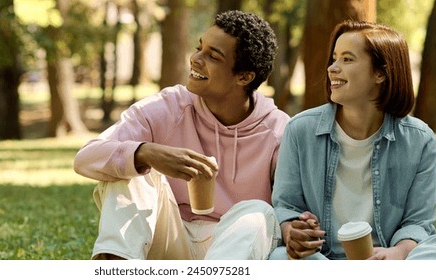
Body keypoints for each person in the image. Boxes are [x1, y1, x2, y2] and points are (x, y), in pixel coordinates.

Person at [73, 10, 289, 260]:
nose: (195, 59)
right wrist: (146, 153)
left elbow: (293, 209)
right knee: (130, 169)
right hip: (169, 238)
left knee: (259, 212)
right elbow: (85, 158)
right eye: (199, 48)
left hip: (234, 249)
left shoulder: (279, 131)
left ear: (244, 76)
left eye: (213, 56)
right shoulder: (168, 107)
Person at [269, 21, 436, 260]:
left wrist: (398, 253)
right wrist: (293, 231)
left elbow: (418, 222)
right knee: (279, 258)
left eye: (347, 59)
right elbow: (286, 206)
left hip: (386, 260)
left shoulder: (420, 140)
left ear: (380, 73)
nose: (332, 68)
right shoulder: (300, 130)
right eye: (334, 58)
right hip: (323, 260)